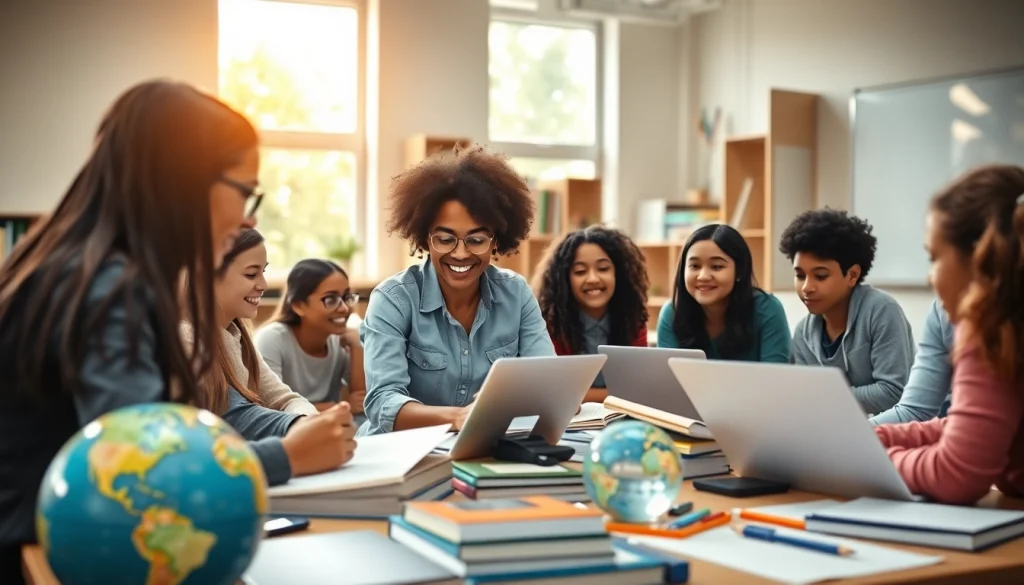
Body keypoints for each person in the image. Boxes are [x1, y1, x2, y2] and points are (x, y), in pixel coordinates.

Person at [0, 81, 354, 581]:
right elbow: (146, 471)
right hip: (40, 557)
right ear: (186, 182)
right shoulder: (112, 290)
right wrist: (288, 457)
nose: (249, 216)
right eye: (244, 192)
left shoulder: (76, 266)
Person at [359, 144, 555, 435]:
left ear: (496, 240)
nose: (461, 254)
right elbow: (382, 402)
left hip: (484, 446)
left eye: (475, 240)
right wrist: (458, 418)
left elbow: (548, 383)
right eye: (445, 239)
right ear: (425, 239)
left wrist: (556, 398)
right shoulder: (393, 300)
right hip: (401, 453)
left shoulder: (516, 294)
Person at [875, 164, 1024, 505]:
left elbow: (957, 472)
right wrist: (872, 437)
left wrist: (869, 460)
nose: (930, 278)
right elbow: (976, 429)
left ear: (978, 257)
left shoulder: (994, 324)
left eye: (934, 258)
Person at [779, 208, 914, 414]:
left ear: (852, 275)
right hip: (837, 432)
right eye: (800, 275)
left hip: (893, 434)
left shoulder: (882, 311)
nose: (807, 287)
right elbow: (805, 398)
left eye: (821, 276)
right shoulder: (803, 333)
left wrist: (825, 397)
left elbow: (893, 392)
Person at [181, 228, 318, 416]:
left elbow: (286, 399)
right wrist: (299, 425)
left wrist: (308, 420)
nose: (264, 285)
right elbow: (237, 417)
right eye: (252, 274)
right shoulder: (187, 339)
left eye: (263, 272)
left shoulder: (239, 339)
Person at [533, 225, 649, 403]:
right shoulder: (550, 324)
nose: (593, 279)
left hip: (622, 419)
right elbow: (555, 392)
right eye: (580, 271)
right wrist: (620, 395)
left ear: (619, 273)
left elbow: (639, 389)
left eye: (603, 269)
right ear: (564, 278)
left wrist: (582, 395)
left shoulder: (632, 319)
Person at [657, 223, 790, 362]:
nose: (703, 276)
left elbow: (775, 379)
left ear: (740, 271)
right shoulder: (672, 313)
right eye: (695, 266)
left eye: (716, 266)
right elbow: (668, 379)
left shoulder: (767, 310)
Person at [254, 259, 366, 422]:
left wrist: (358, 346)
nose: (344, 308)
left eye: (347, 297)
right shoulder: (272, 339)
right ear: (298, 306)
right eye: (330, 299)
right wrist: (336, 406)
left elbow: (360, 402)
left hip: (325, 426)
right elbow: (270, 408)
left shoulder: (341, 340)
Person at [869, 299, 955, 425]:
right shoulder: (940, 310)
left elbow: (890, 390)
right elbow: (915, 410)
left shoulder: (883, 309)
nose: (931, 279)